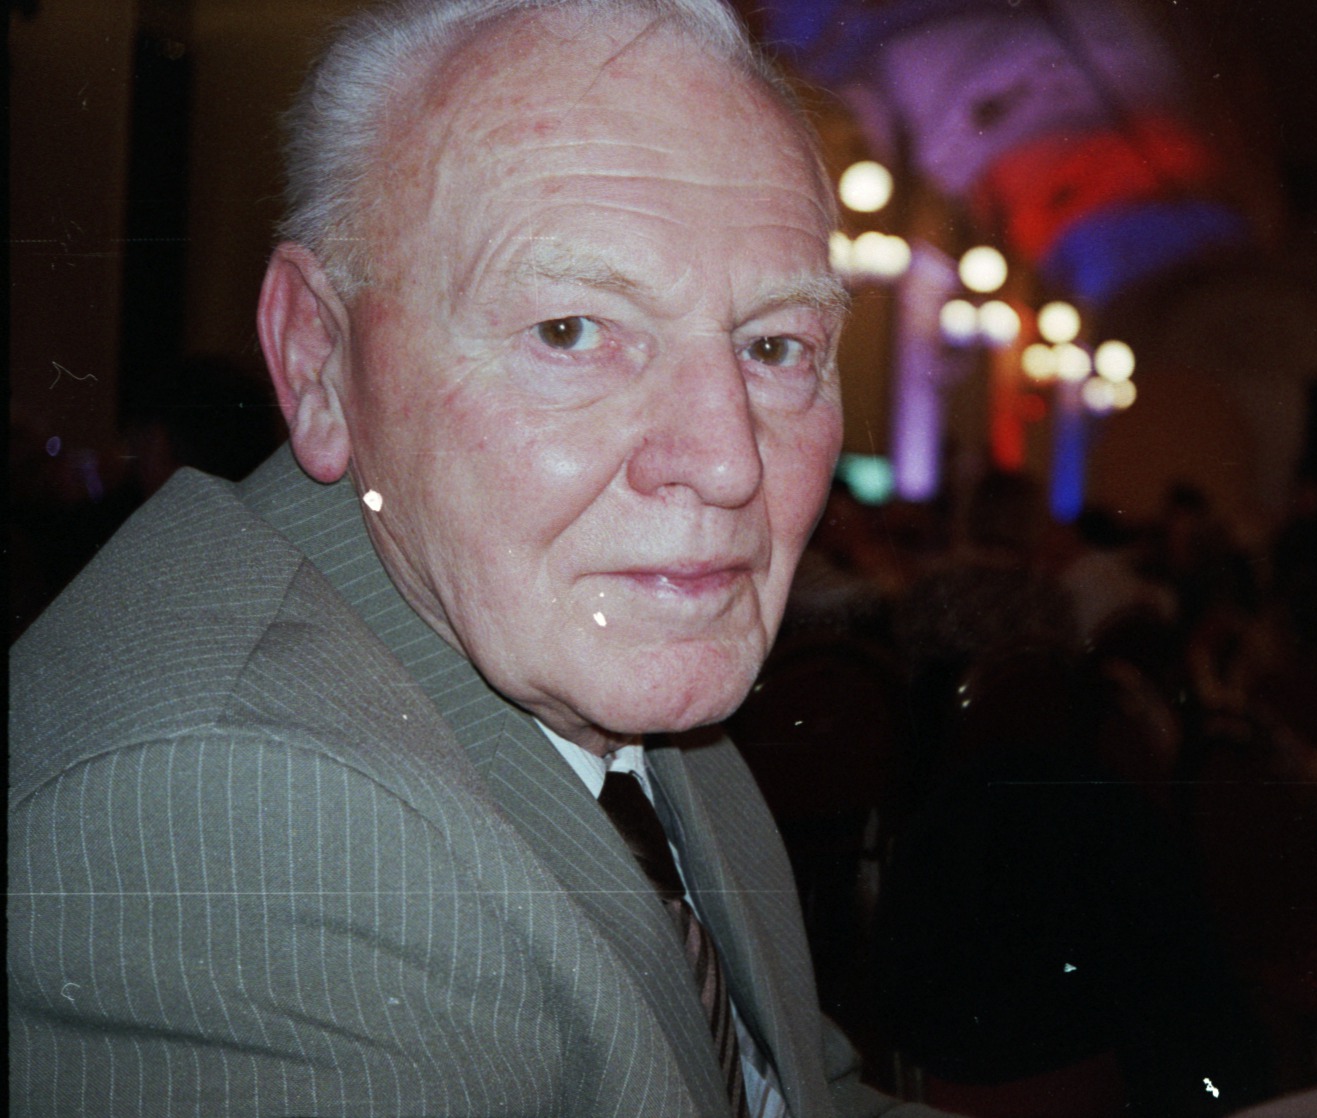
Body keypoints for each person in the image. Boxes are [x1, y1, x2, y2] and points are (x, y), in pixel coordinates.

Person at [7, 2, 949, 1115]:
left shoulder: (590, 634)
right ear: (319, 361)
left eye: (774, 346)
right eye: (570, 330)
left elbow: (795, 1091)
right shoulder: (242, 811)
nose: (728, 460)